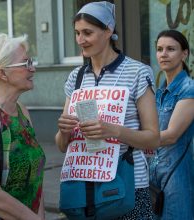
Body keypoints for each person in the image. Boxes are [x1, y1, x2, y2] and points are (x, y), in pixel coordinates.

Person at [55, 1, 160, 219]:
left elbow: (153, 139)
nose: (80, 40)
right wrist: (64, 131)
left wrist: (113, 131)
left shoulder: (137, 72)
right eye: (76, 33)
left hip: (128, 185)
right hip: (85, 186)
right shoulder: (77, 76)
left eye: (87, 32)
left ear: (108, 30)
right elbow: (62, 145)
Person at [0, 33, 46, 220]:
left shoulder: (22, 111)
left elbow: (35, 179)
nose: (33, 69)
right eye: (25, 64)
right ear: (2, 73)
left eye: (31, 61)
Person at [149, 30, 194, 219]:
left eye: (170, 49)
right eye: (159, 49)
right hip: (155, 174)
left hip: (178, 175)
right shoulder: (160, 93)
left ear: (184, 53)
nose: (163, 54)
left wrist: (129, 138)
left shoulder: (189, 88)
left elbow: (172, 135)